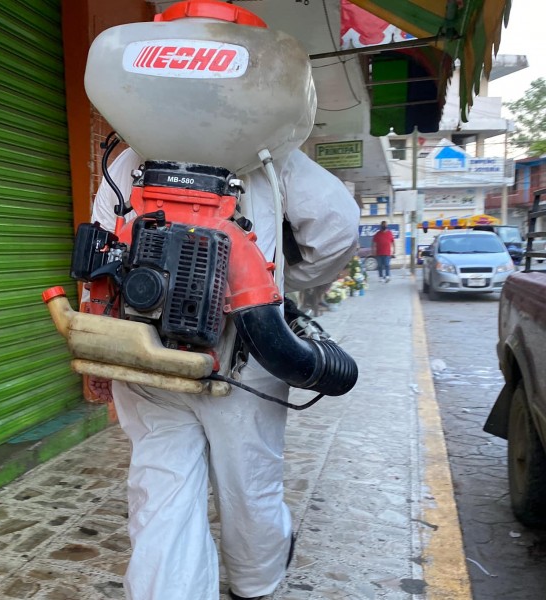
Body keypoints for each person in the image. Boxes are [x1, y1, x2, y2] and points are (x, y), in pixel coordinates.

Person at [90, 146, 359, 600]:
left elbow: (102, 243)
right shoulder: (267, 153)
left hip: (147, 351)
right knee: (248, 481)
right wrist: (285, 278)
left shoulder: (130, 156)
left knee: (162, 491)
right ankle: (256, 582)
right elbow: (337, 228)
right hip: (245, 356)